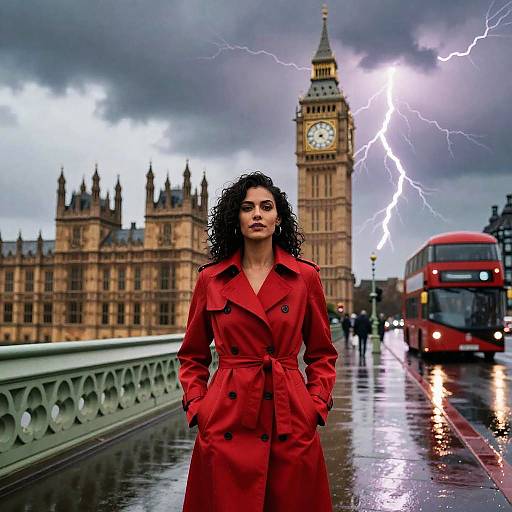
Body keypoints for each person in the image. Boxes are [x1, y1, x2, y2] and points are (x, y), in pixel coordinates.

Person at [178, 172, 338, 512]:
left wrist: (315, 405)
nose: (257, 214)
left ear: (278, 217)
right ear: (236, 216)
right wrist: (199, 407)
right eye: (248, 207)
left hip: (289, 414)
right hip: (227, 417)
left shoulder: (304, 277)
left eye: (266, 207)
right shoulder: (211, 279)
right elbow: (192, 356)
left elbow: (322, 353)